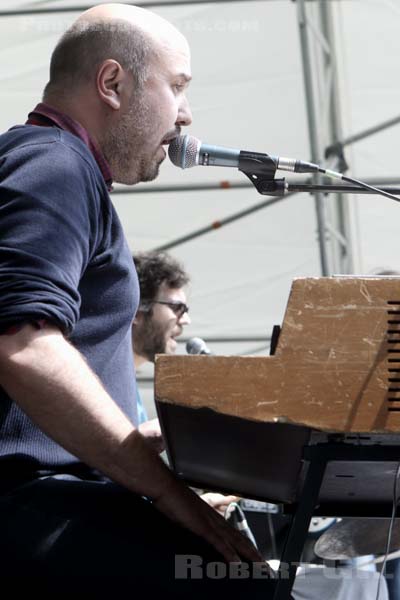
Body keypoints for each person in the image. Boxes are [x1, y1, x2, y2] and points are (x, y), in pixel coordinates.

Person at [0, 4, 270, 597]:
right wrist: (166, 492)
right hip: (33, 505)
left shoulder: (53, 165)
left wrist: (137, 439)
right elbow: (24, 347)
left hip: (50, 497)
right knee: (242, 581)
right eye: (176, 87)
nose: (187, 114)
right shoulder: (53, 163)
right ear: (113, 83)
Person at [132, 250, 239, 511]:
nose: (187, 320)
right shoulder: (97, 378)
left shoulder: (127, 385)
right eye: (177, 308)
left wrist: (193, 508)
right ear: (135, 309)